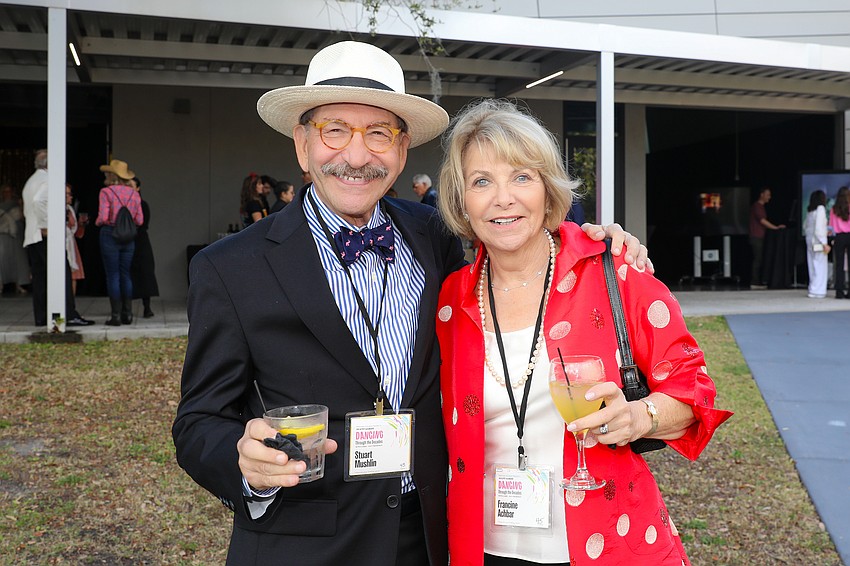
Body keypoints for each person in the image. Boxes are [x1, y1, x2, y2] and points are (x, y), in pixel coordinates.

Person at [172, 41, 648, 566]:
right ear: (302, 146)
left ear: (401, 151)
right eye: (334, 130)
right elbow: (198, 421)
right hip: (304, 543)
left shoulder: (433, 235)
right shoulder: (230, 268)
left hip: (428, 536)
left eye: (378, 133)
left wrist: (594, 240)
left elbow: (516, 229)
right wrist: (244, 464)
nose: (357, 157)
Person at [435, 99, 732, 565]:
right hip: (483, 546)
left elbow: (694, 391)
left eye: (522, 177)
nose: (503, 198)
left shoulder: (614, 269)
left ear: (548, 191)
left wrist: (639, 417)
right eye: (482, 181)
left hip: (609, 539)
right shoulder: (450, 298)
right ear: (462, 201)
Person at [21, 149, 93, 327]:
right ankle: (67, 315)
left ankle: (42, 318)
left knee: (41, 279)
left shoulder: (32, 180)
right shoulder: (48, 180)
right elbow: (39, 201)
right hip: (45, 236)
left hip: (32, 236)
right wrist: (46, 225)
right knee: (61, 275)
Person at [95, 159, 143, 325]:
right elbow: (140, 220)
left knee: (113, 275)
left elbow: (103, 217)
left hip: (110, 233)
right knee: (125, 274)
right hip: (128, 236)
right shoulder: (134, 194)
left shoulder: (106, 192)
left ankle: (115, 316)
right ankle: (128, 314)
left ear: (112, 175)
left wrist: (97, 223)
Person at [128, 176, 160, 317]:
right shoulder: (124, 204)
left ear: (138, 188)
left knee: (145, 272)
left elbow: (144, 224)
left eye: (131, 186)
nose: (129, 189)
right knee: (127, 273)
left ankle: (147, 307)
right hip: (127, 240)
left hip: (140, 241)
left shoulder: (142, 204)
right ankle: (126, 308)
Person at [748, 187, 785, 289]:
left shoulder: (761, 207)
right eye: (768, 194)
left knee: (759, 259)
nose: (769, 197)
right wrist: (775, 228)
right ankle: (754, 282)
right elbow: (763, 221)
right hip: (756, 236)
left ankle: (757, 281)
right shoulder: (757, 206)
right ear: (762, 195)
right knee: (757, 259)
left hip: (759, 236)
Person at [0, 183, 29, 295]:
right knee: (2, 260)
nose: (7, 194)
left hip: (16, 236)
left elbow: (23, 218)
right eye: (5, 191)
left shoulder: (16, 204)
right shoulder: (1, 205)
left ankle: (19, 284)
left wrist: (21, 206)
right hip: (3, 235)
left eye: (9, 191)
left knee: (18, 260)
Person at [804, 190, 830, 299]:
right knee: (820, 266)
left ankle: (812, 289)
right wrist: (824, 243)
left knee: (812, 266)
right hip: (818, 241)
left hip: (810, 241)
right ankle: (818, 290)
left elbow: (805, 226)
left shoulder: (810, 211)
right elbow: (819, 228)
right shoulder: (820, 209)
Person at [65, 183, 86, 295]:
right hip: (63, 244)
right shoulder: (56, 210)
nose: (71, 197)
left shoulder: (70, 209)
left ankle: (71, 301)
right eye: (67, 194)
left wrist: (81, 224)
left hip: (71, 244)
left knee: (74, 275)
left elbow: (76, 232)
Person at [828, 186, 850, 298]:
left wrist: (831, 237)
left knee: (839, 265)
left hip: (838, 237)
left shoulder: (834, 209)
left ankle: (839, 292)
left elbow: (831, 226)